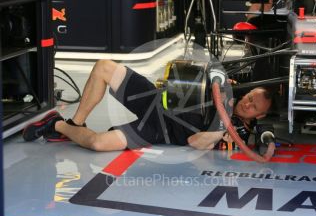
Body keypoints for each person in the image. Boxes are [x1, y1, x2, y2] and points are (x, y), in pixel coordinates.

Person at [22, 60, 273, 156]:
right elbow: (207, 66)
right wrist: (217, 76)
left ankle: (57, 124)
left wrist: (222, 120)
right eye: (250, 97)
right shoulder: (230, 87)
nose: (247, 103)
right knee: (103, 67)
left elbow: (196, 142)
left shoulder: (237, 132)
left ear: (259, 116)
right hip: (156, 99)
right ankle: (76, 123)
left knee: (98, 144)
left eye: (253, 107)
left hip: (156, 129)